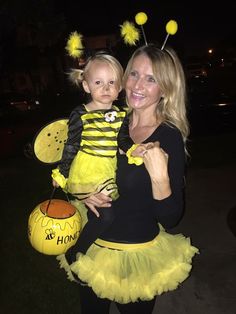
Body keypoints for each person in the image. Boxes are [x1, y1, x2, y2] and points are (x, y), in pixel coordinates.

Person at [57, 44, 199, 314]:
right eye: (133, 74)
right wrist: (83, 193)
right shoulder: (110, 120)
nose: (137, 85)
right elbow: (78, 164)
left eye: (151, 78)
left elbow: (170, 218)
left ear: (166, 88)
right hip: (93, 249)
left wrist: (160, 178)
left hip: (136, 258)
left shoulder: (168, 137)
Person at [52, 52, 143, 257]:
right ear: (86, 86)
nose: (106, 88)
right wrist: (62, 173)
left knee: (104, 213)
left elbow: (123, 140)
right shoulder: (81, 113)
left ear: (119, 87)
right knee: (107, 216)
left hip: (107, 170)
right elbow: (71, 145)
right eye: (98, 82)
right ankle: (76, 252)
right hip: (85, 170)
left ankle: (94, 245)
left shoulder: (122, 115)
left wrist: (132, 149)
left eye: (112, 82)